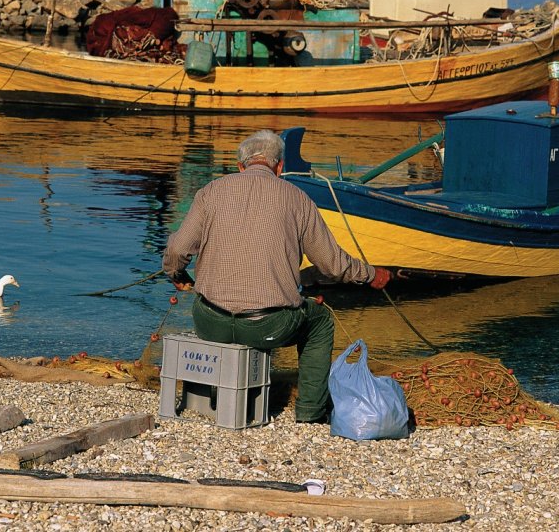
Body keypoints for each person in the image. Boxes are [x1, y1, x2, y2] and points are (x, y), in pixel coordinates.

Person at [162, 129, 391, 424]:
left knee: (211, 305)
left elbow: (178, 248)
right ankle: (310, 413)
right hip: (268, 326)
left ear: (240, 166)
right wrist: (369, 274)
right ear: (280, 167)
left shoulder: (211, 191)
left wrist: (176, 274)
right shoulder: (297, 198)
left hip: (211, 322)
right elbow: (332, 263)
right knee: (320, 322)